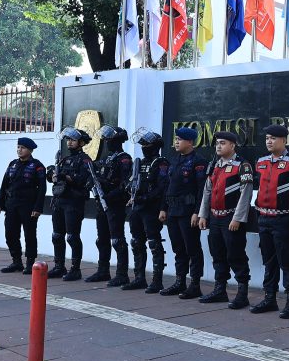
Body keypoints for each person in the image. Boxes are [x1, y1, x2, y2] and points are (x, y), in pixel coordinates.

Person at [249, 124, 289, 319]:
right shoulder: (261, 161)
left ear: (284, 140)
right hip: (264, 218)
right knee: (269, 260)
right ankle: (270, 298)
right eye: (267, 138)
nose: (269, 141)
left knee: (288, 261)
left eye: (273, 138)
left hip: (285, 218)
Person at [197, 131, 253, 306]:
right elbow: (207, 191)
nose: (219, 146)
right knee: (217, 254)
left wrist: (237, 218)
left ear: (232, 145)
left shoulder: (242, 166)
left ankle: (242, 294)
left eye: (223, 143)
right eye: (217, 143)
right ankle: (220, 290)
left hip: (231, 218)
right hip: (215, 218)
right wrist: (203, 215)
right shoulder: (214, 165)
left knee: (235, 255)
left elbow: (246, 194)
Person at [160, 127, 208, 299]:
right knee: (178, 248)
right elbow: (168, 186)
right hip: (173, 211)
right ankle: (180, 281)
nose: (176, 142)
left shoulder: (198, 161)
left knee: (192, 248)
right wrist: (163, 208)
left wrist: (198, 212)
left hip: (188, 212)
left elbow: (202, 189)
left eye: (180, 139)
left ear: (190, 142)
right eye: (175, 139)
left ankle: (195, 284)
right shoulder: (175, 160)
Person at [124, 129, 170, 293]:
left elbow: (163, 187)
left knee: (154, 243)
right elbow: (130, 182)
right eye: (142, 144)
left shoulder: (161, 163)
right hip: (137, 208)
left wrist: (151, 201)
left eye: (147, 144)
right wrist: (131, 192)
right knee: (136, 242)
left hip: (152, 208)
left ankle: (157, 281)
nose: (144, 147)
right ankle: (139, 278)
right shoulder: (140, 163)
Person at [87, 126, 133, 285]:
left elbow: (125, 185)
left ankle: (122, 274)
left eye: (109, 140)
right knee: (102, 239)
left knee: (117, 240)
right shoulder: (107, 158)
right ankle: (103, 270)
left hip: (115, 205)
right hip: (102, 204)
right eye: (105, 140)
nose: (106, 142)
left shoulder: (124, 159)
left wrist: (109, 195)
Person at [0, 137, 46, 275]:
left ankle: (30, 263)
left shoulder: (37, 166)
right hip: (11, 205)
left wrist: (38, 208)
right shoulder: (12, 164)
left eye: (22, 148)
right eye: (18, 147)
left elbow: (42, 189)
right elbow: (4, 185)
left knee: (29, 234)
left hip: (28, 206)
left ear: (30, 150)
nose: (19, 150)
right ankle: (16, 262)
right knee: (10, 234)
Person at [47, 127, 94, 281]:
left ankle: (75, 269)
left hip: (74, 202)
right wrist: (52, 175)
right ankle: (59, 266)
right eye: (68, 139)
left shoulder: (85, 160)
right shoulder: (64, 159)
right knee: (57, 235)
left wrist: (66, 177)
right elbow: (55, 178)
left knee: (72, 236)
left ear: (81, 142)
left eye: (73, 140)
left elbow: (82, 180)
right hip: (59, 201)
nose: (69, 142)